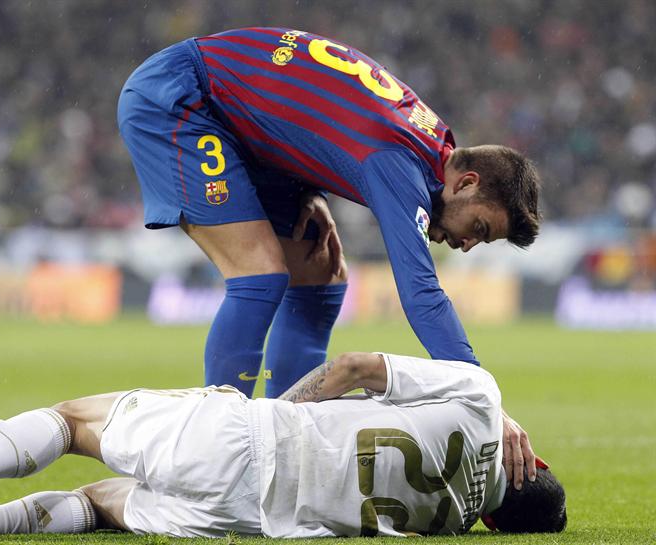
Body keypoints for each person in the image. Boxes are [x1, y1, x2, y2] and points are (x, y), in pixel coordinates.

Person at [118, 27, 541, 490]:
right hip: (185, 98)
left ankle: (279, 449)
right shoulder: (398, 163)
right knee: (259, 273)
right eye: (479, 228)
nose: (468, 244)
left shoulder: (432, 139)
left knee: (321, 275)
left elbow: (323, 114)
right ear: (466, 182)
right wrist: (483, 399)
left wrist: (308, 185)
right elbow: (421, 294)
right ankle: (212, 458)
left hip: (243, 122)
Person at [0, 353, 565, 538]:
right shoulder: (453, 523)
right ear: (498, 521)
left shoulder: (482, 396)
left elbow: (353, 367)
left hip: (247, 441)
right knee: (97, 505)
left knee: (71, 422)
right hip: (247, 518)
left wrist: (272, 415)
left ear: (532, 459)